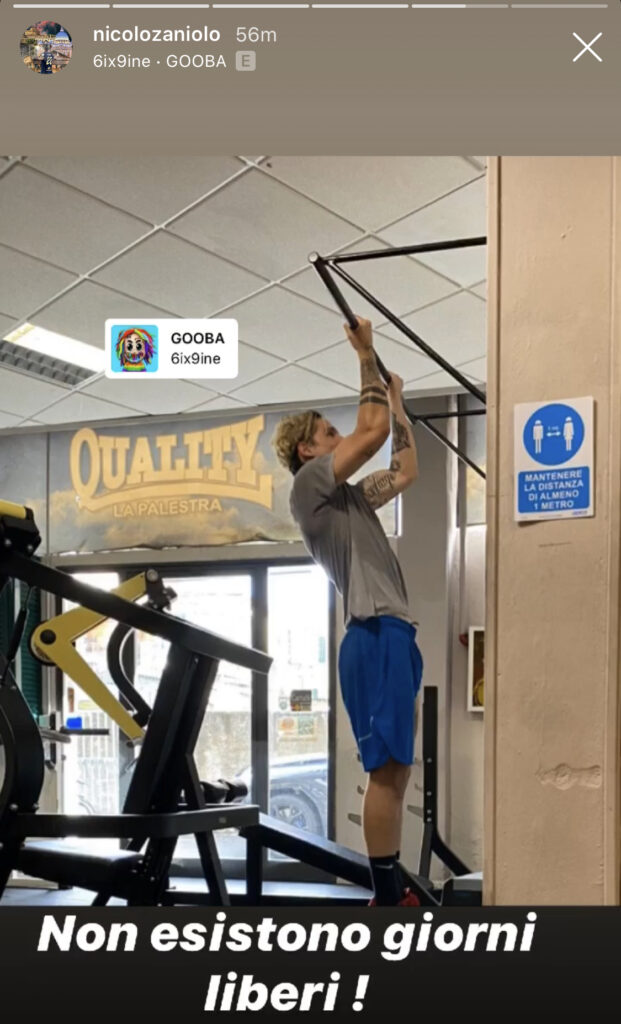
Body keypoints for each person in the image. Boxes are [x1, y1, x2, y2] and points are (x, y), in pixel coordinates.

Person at [273, 315, 423, 907]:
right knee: (386, 771)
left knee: (397, 770)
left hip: (393, 635)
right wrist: (366, 353)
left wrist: (398, 399)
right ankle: (386, 898)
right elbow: (372, 429)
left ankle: (388, 891)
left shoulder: (352, 499)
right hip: (373, 633)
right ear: (308, 450)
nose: (342, 438)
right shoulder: (309, 487)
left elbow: (405, 470)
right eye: (329, 432)